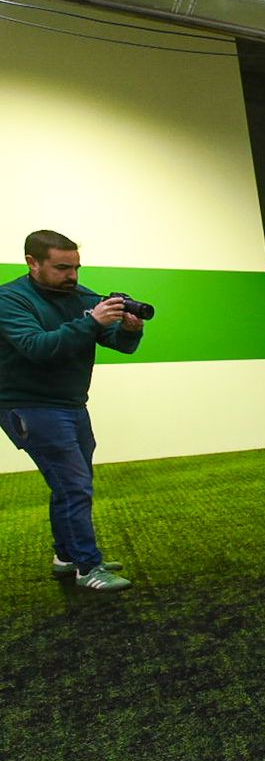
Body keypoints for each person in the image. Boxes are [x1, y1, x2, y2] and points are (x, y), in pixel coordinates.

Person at [0, 230, 144, 592]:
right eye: (62, 268)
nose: (73, 276)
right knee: (74, 485)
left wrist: (130, 329)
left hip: (72, 404)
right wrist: (92, 321)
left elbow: (119, 344)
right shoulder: (9, 300)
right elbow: (36, 347)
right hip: (30, 406)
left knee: (71, 484)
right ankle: (87, 566)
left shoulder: (79, 296)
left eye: (76, 267)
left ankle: (67, 556)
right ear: (33, 263)